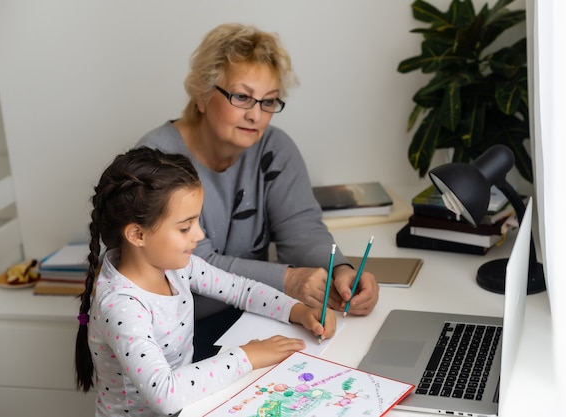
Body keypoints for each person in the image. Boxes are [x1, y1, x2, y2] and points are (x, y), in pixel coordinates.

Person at [136, 23, 379, 359]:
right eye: (241, 97)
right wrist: (290, 280)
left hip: (255, 312)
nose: (256, 115)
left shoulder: (275, 148)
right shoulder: (157, 160)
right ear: (203, 94)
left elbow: (302, 230)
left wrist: (342, 271)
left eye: (268, 102)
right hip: (175, 333)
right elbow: (195, 265)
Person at [74, 147, 336, 417]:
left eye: (198, 221)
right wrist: (247, 356)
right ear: (138, 234)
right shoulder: (121, 307)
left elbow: (241, 289)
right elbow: (166, 394)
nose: (199, 235)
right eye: (185, 227)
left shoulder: (175, 266)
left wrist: (297, 311)